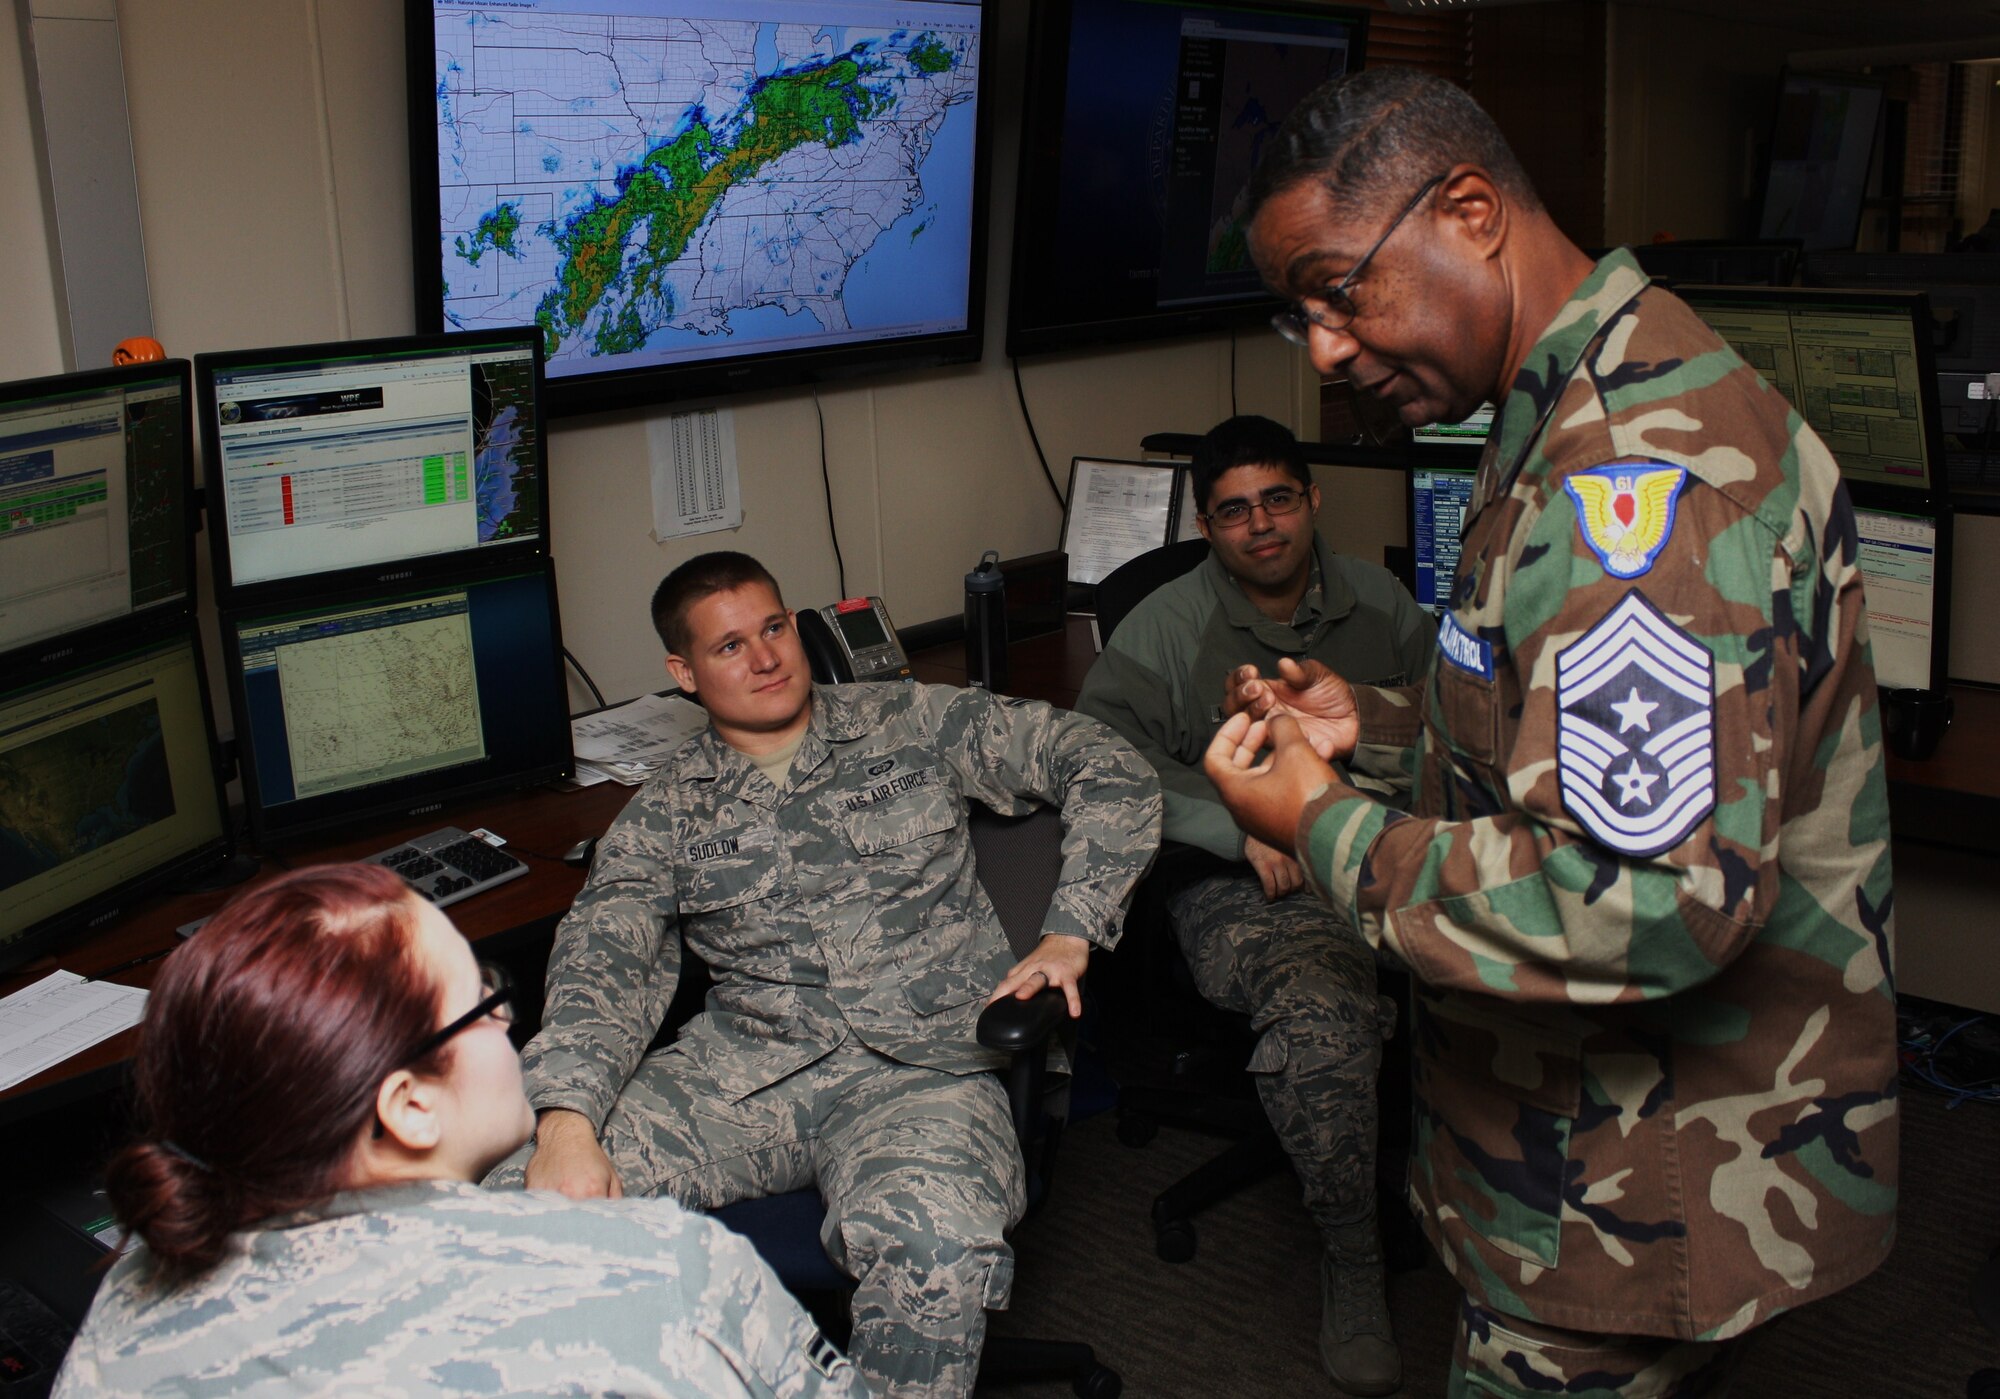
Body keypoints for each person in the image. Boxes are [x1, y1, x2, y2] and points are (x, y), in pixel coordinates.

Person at [1200, 68, 1899, 1397]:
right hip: (1591, 1162)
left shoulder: (1633, 475)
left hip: (1636, 1190)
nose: (1331, 349)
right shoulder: (1572, 399)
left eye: (1342, 290)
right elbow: (1574, 734)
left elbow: (1643, 895)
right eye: (1303, 316)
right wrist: (1384, 732)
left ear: (1468, 209)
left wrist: (1325, 824)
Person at [490, 551, 1161, 1399]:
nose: (766, 658)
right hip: (746, 1072)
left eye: (774, 628)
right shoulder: (664, 810)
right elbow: (602, 962)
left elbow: (1104, 761)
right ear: (683, 673)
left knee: (936, 1248)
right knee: (514, 1212)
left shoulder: (910, 721)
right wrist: (566, 1121)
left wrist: (1071, 930)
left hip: (928, 1066)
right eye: (729, 646)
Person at [54, 863, 867, 1398]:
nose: (509, 1016)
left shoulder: (129, 1299)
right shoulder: (665, 1276)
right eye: (481, 1000)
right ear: (409, 1104)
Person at [1075, 413, 1431, 1395]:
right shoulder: (1168, 627)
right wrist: (1225, 825)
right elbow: (1092, 761)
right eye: (1232, 511)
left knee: (1514, 953)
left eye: (1277, 499)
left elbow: (1444, 716)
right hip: (1241, 881)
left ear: (1311, 499)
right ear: (1205, 525)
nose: (1260, 526)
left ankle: (1490, 1203)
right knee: (1321, 1012)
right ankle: (1350, 1254)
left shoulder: (1376, 602)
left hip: (1376, 848)